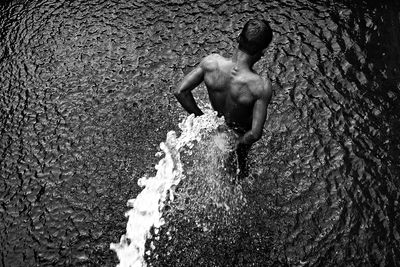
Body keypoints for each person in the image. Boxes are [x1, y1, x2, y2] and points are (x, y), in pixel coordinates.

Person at [174, 19, 273, 178]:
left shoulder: (211, 63)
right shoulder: (260, 86)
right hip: (238, 137)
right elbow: (254, 133)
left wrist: (207, 123)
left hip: (217, 126)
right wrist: (236, 141)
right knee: (238, 174)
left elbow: (180, 91)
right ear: (263, 52)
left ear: (238, 38)